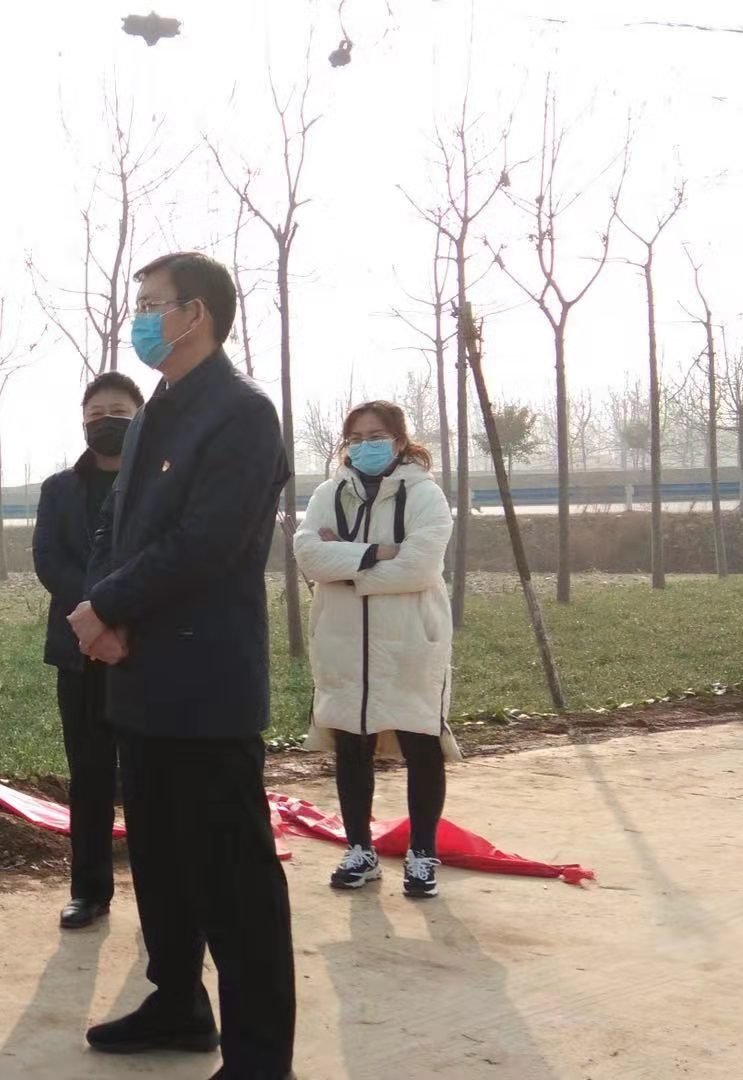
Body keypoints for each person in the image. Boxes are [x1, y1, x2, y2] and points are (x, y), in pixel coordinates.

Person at [67, 252, 297, 1080]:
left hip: (206, 685)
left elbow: (207, 542)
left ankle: (260, 1058)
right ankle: (178, 1002)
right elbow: (114, 528)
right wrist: (102, 610)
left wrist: (110, 607)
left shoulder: (242, 415)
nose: (140, 319)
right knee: (161, 861)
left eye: (152, 304)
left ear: (195, 313)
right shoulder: (156, 410)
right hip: (140, 679)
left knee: (234, 878)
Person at [294, 400, 459, 899]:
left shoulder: (425, 495)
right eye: (356, 438)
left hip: (408, 639)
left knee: (421, 742)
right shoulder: (329, 493)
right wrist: (379, 553)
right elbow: (308, 555)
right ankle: (359, 849)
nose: (364, 446)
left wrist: (347, 567)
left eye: (376, 436)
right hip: (343, 638)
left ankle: (422, 853)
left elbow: (420, 567)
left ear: (399, 441)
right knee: (351, 744)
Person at [32, 371, 145, 930]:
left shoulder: (160, 482)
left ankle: (160, 892)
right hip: (80, 649)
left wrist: (123, 615)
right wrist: (96, 615)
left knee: (149, 776)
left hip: (146, 649)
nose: (107, 421)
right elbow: (48, 560)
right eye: (96, 413)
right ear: (82, 422)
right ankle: (90, 890)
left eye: (119, 412)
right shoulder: (59, 489)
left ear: (141, 416)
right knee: (90, 773)